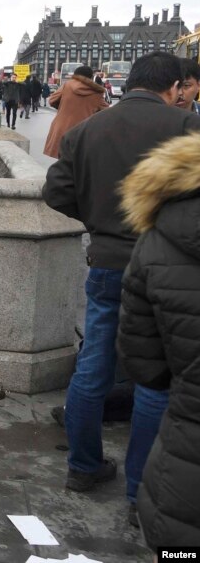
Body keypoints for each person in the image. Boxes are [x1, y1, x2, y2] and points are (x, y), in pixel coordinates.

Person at [43, 51, 200, 496]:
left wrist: (98, 219)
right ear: (174, 88)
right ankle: (139, 490)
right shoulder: (189, 129)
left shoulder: (87, 131)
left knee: (92, 369)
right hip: (171, 272)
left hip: (108, 264)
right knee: (155, 379)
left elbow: (55, 194)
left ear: (127, 82)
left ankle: (83, 467)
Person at [117, 132, 200, 548]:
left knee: (179, 549)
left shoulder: (159, 238)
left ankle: (134, 495)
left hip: (188, 436)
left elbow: (142, 357)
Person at [43, 65, 108, 158]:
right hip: (83, 133)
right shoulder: (97, 92)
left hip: (62, 129)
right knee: (78, 163)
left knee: (62, 162)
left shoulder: (68, 85)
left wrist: (63, 107)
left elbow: (52, 100)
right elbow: (106, 111)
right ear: (90, 77)